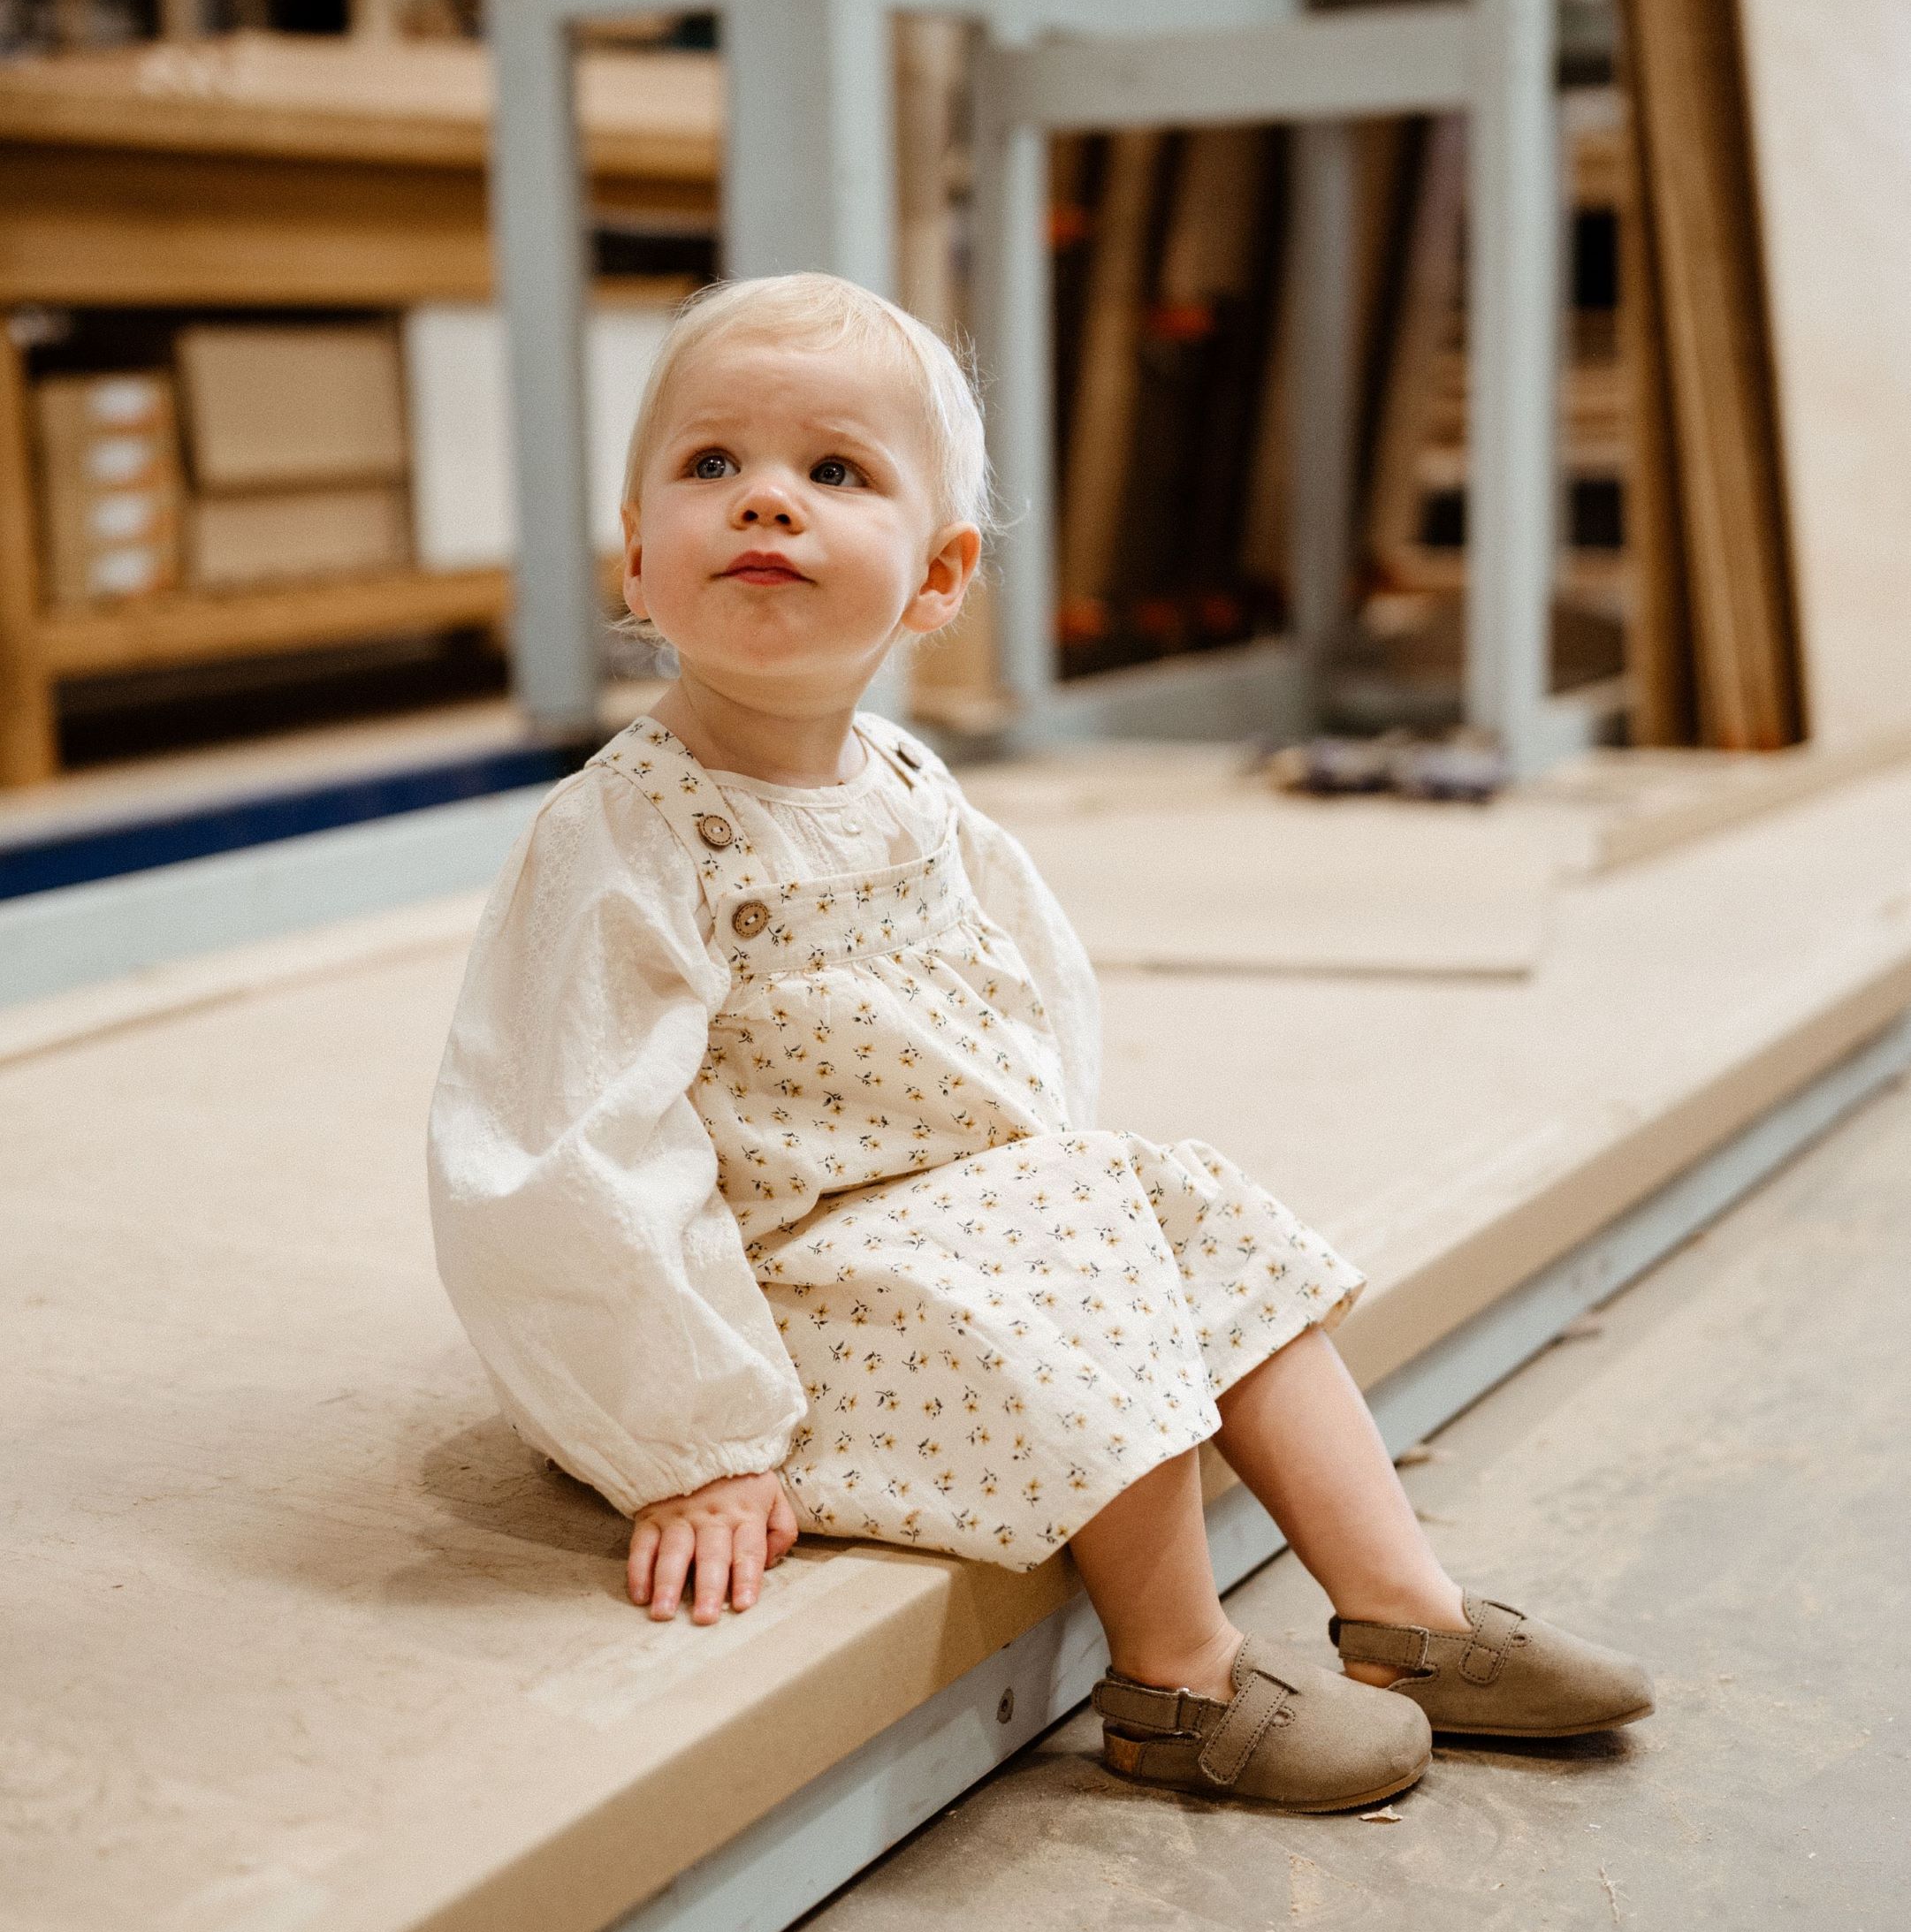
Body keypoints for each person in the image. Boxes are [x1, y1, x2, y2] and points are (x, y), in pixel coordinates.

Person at [429, 274, 1650, 1814]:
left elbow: (1026, 991)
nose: (766, 502)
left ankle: (1405, 1610)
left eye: (834, 470)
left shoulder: (905, 784)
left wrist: (1070, 1187)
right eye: (710, 464)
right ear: (635, 554)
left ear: (937, 578)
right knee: (1061, 1245)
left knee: (1179, 1198)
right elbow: (565, 1150)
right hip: (772, 1299)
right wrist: (693, 1440)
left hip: (945, 1234)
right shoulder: (624, 834)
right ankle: (1178, 1680)